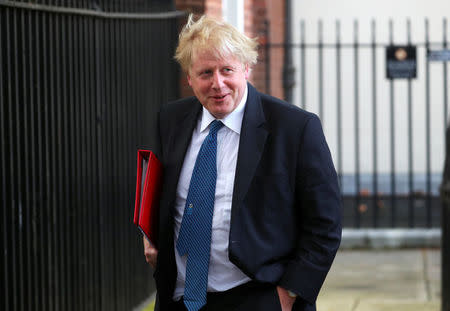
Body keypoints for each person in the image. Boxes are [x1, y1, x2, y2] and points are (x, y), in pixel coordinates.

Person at [143, 14, 341, 311]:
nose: (217, 84)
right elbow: (159, 194)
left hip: (258, 296)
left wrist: (287, 295)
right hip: (181, 298)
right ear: (189, 77)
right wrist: (148, 235)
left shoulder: (295, 128)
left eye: (227, 70)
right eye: (206, 73)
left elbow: (325, 224)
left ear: (246, 69)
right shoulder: (170, 120)